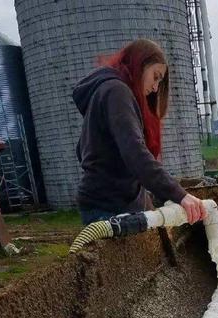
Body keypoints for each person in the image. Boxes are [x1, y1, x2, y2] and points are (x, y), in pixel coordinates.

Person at [72, 39, 207, 225]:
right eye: (156, 76)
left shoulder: (107, 91)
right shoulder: (117, 92)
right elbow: (135, 151)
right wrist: (179, 195)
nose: (155, 88)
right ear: (140, 65)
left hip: (115, 202)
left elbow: (83, 150)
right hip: (109, 207)